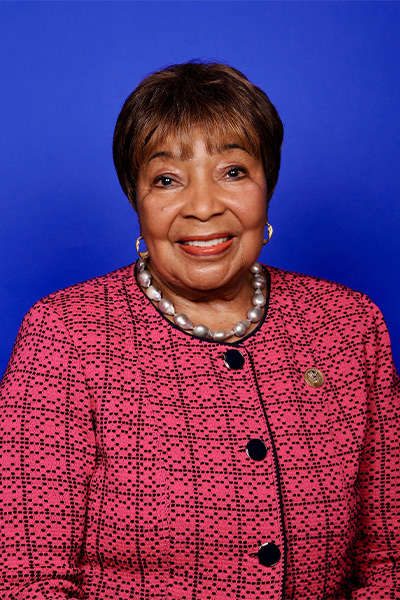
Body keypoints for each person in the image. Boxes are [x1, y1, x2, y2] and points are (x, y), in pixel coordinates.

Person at [0, 61, 399, 600]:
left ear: (268, 186)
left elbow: (389, 554)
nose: (204, 206)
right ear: (136, 203)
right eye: (166, 179)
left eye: (233, 171)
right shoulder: (66, 336)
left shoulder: (348, 324)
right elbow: (27, 578)